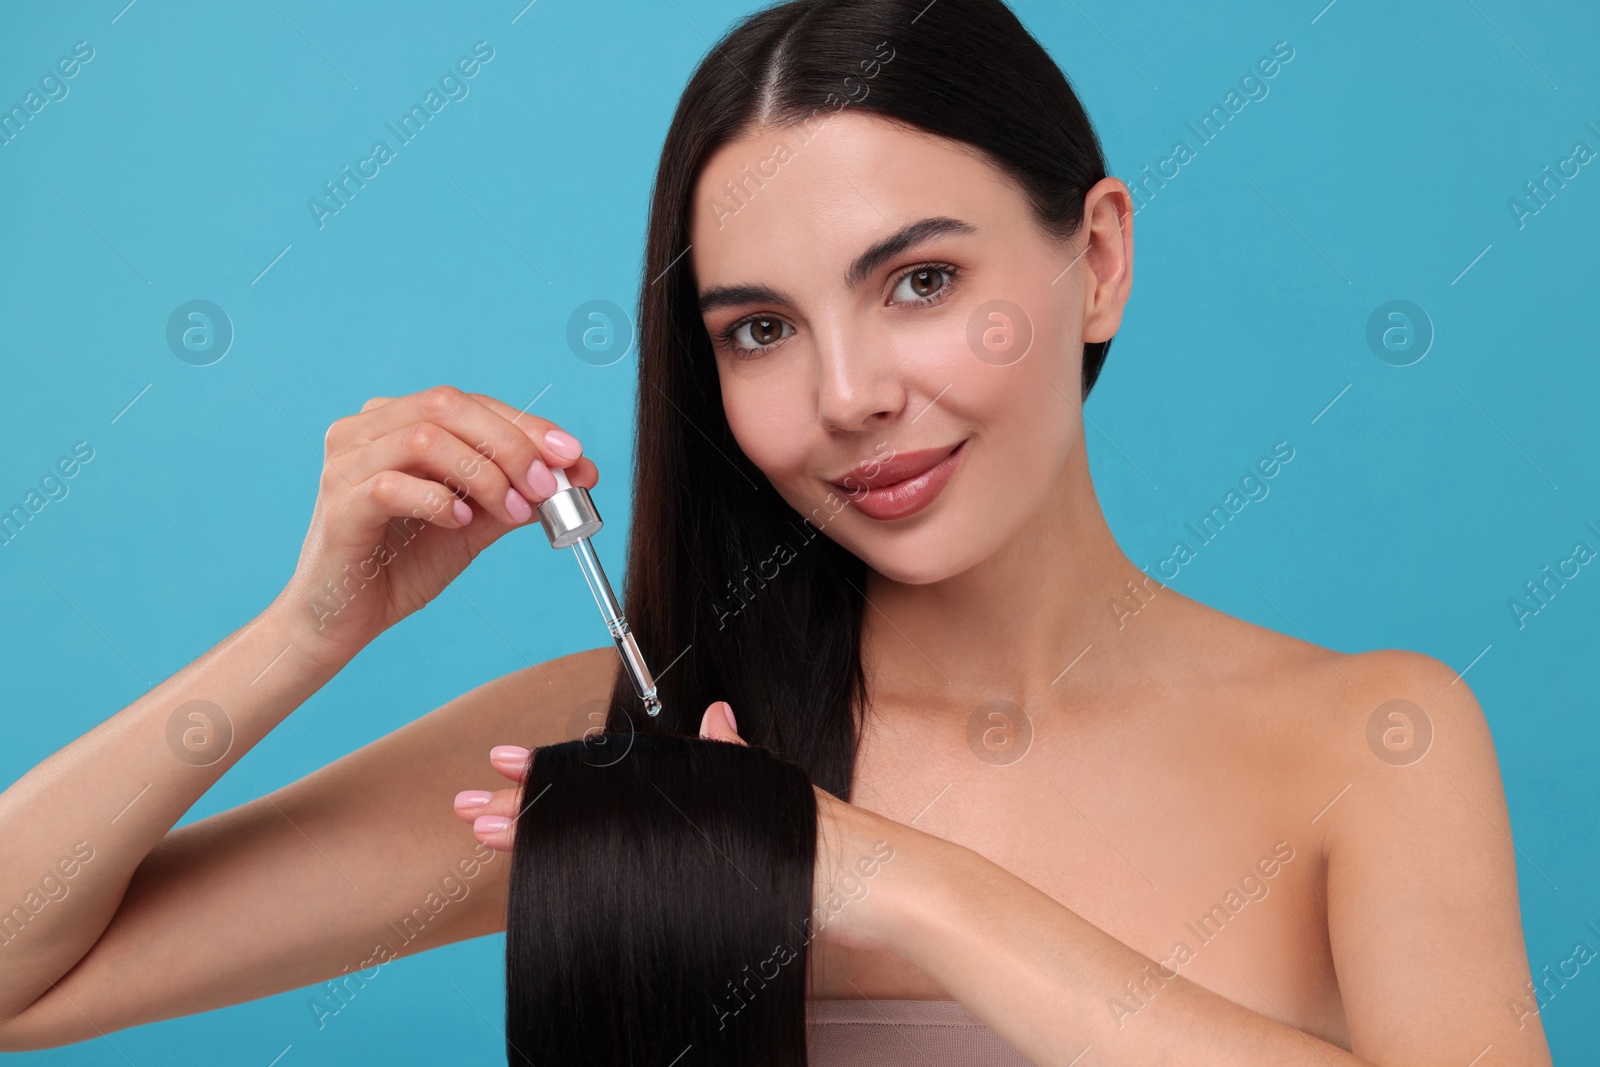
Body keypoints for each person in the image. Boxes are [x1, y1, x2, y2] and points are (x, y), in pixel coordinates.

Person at [0, 0, 1554, 1063]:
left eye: (921, 283)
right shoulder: (640, 746)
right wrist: (310, 633)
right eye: (758, 330)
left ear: (1096, 260)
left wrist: (895, 885)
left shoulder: (1374, 739)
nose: (849, 394)